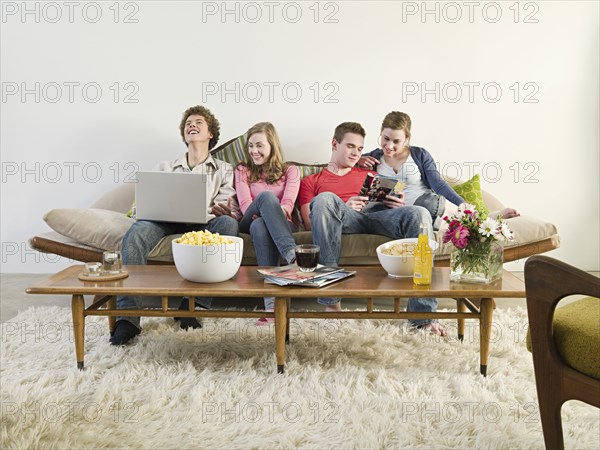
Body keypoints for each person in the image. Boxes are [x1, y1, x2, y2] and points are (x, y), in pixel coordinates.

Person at [298, 122, 447, 336]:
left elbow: (391, 196)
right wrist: (345, 206)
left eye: (359, 149)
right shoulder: (312, 180)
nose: (355, 153)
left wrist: (398, 203)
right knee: (324, 199)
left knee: (420, 214)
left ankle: (422, 316)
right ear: (334, 143)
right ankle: (331, 304)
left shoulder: (368, 170)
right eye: (350, 146)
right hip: (346, 218)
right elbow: (310, 223)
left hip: (378, 215)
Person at [110, 105, 240, 345]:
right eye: (188, 123)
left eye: (199, 122)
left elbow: (224, 205)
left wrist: (221, 209)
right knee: (136, 234)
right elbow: (144, 204)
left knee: (229, 226)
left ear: (210, 133)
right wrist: (145, 210)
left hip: (204, 226)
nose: (192, 125)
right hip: (165, 222)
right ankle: (127, 318)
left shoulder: (224, 170)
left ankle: (193, 306)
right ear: (184, 134)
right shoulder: (165, 167)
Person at [358, 111, 519, 225]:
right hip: (395, 211)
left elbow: (438, 185)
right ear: (380, 133)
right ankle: (454, 223)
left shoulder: (419, 155)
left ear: (406, 139)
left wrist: (463, 205)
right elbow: (347, 161)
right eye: (385, 138)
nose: (389, 146)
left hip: (426, 204)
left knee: (430, 206)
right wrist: (359, 159)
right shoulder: (373, 157)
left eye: (396, 141)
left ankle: (486, 218)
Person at [234, 122, 300, 325]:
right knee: (265, 199)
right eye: (250, 146)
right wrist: (266, 207)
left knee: (261, 226)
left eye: (259, 145)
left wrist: (271, 215)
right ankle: (292, 255)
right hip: (248, 218)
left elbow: (288, 204)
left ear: (272, 145)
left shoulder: (291, 170)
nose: (254, 151)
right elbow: (245, 204)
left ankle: (271, 308)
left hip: (279, 223)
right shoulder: (242, 170)